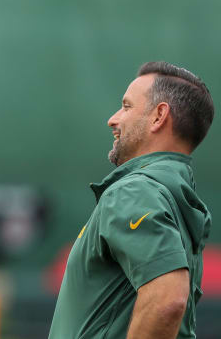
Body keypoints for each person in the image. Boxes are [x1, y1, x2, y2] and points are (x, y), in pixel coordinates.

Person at [48, 61, 214, 338]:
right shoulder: (172, 195)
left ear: (159, 116)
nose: (113, 119)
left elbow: (167, 300)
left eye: (126, 107)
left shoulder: (135, 192)